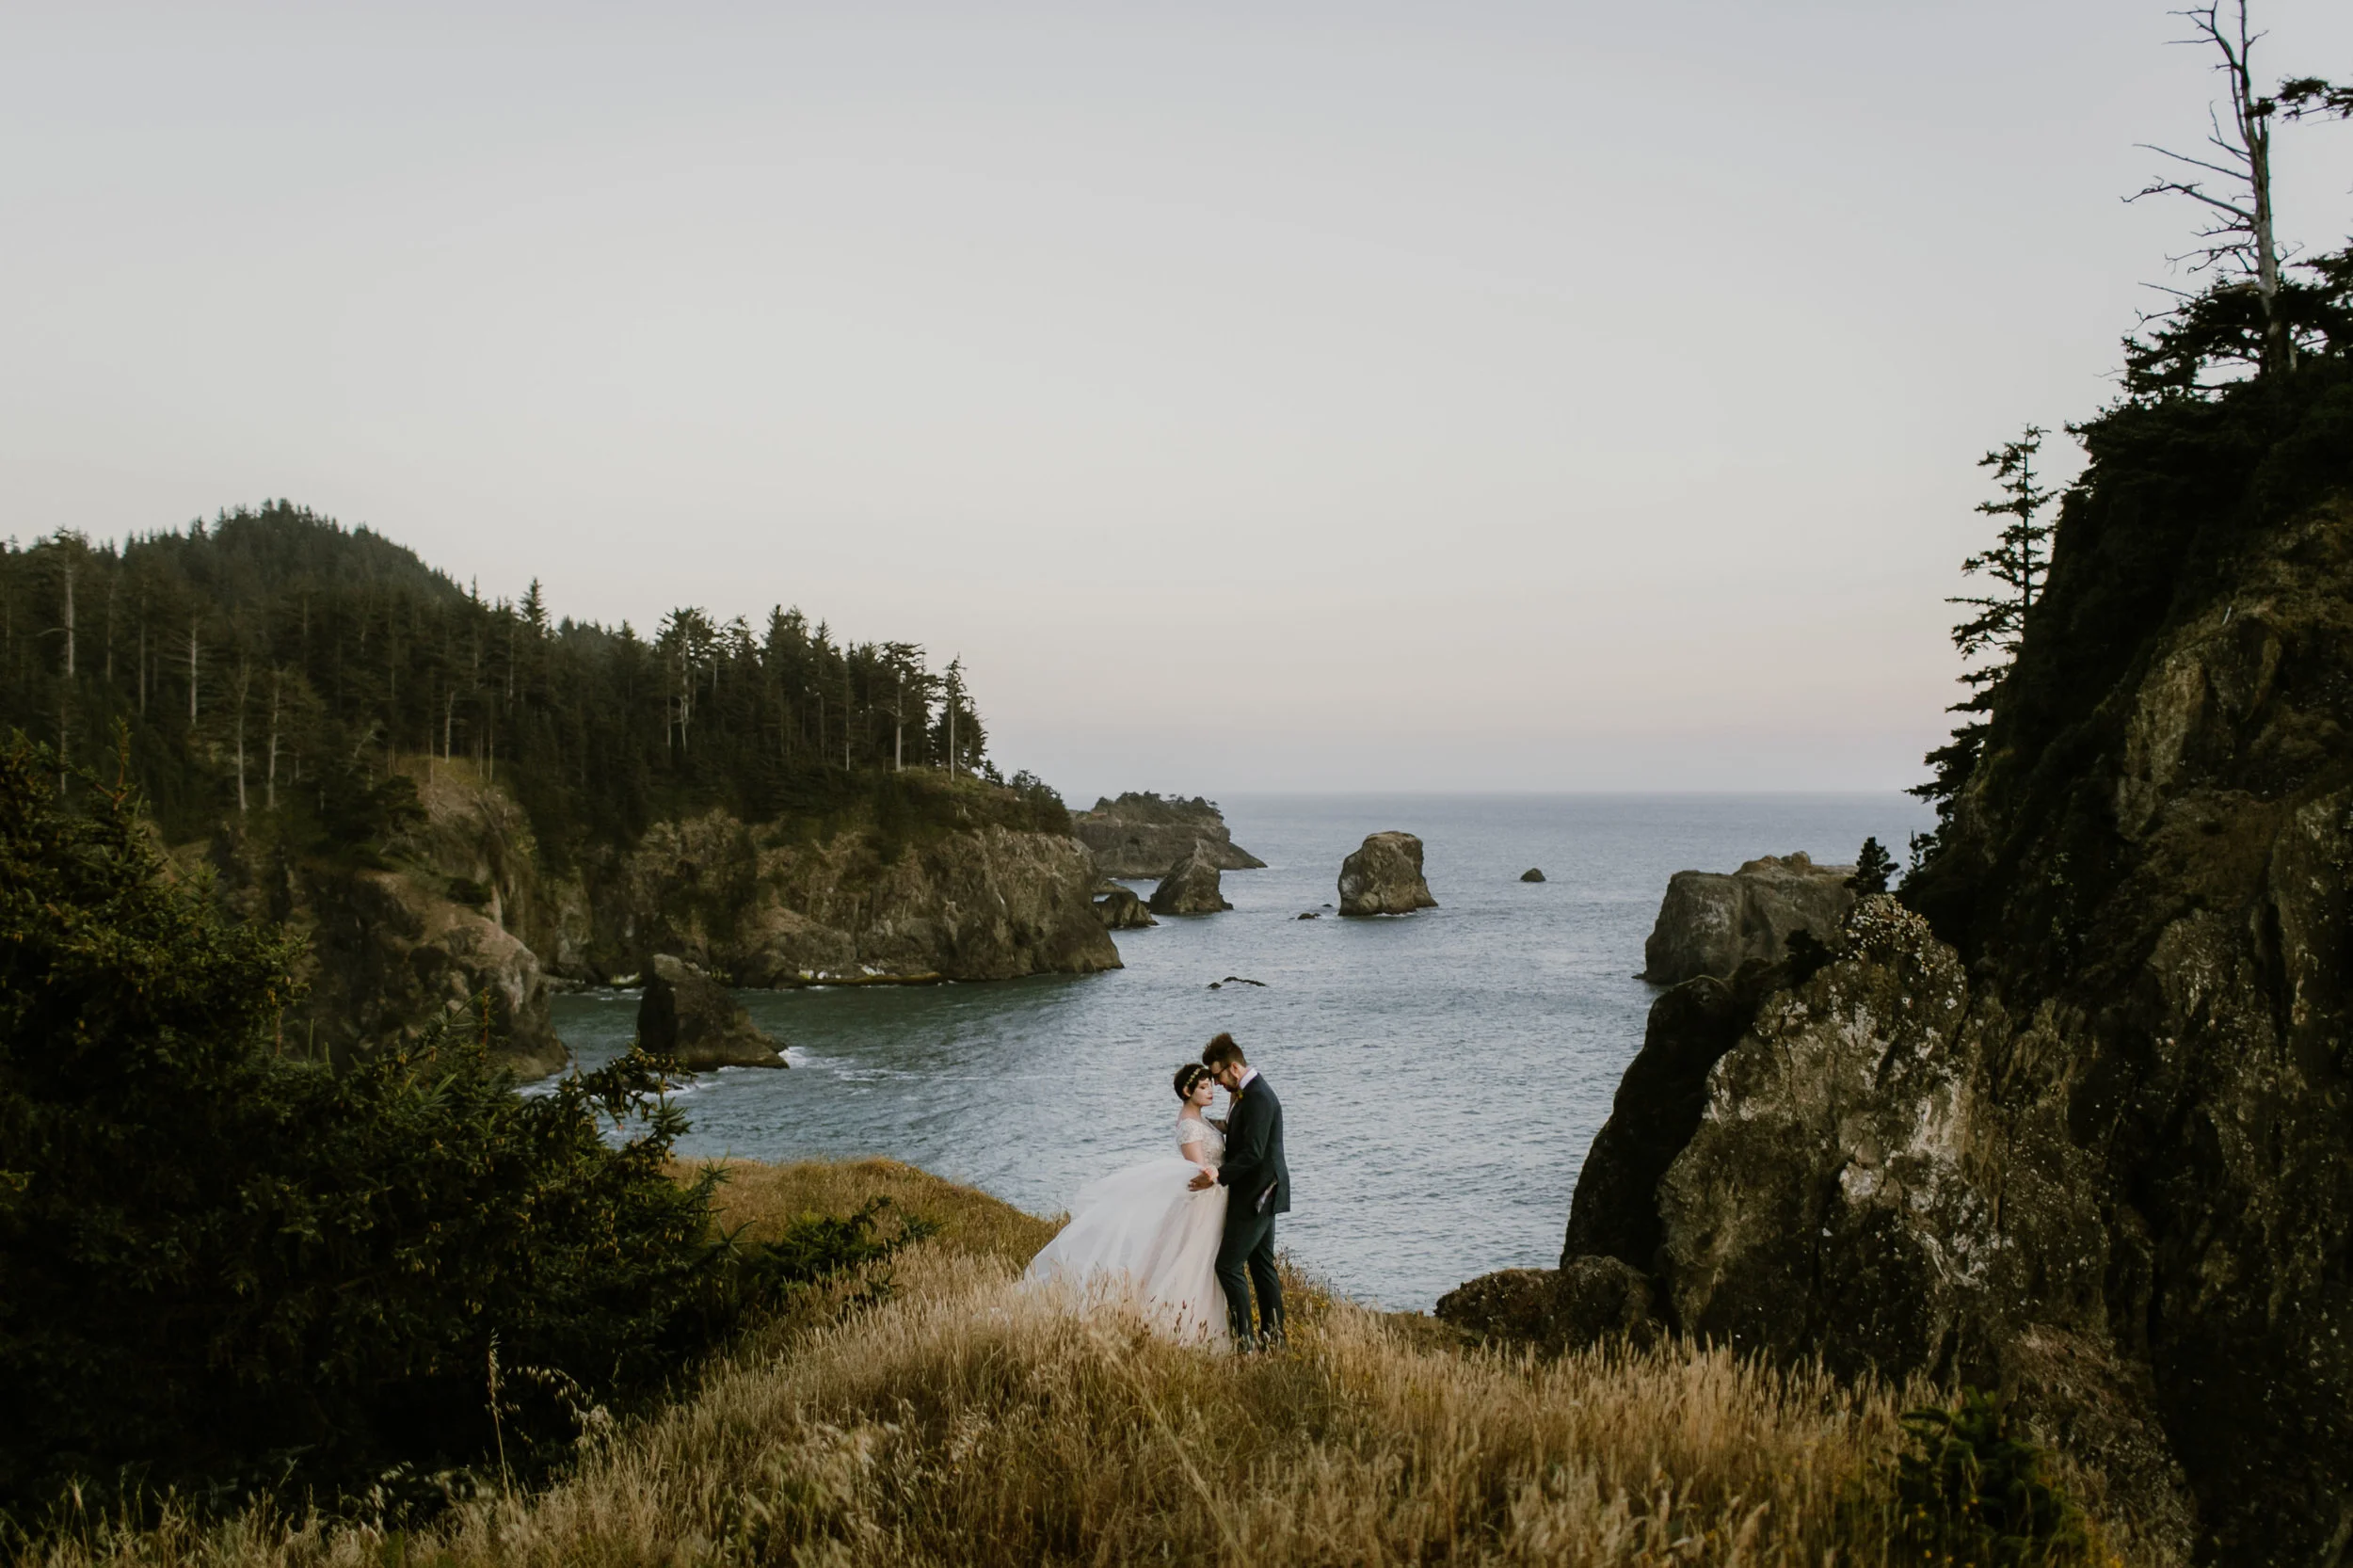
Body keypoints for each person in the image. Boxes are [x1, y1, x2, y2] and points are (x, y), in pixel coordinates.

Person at [1020, 1062, 1229, 1345]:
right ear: (1186, 1090)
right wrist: (1220, 1176)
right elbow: (1199, 1171)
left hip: (1213, 1199)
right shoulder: (1189, 1127)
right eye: (1203, 1087)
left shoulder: (1200, 1121)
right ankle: (1186, 1329)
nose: (1210, 1091)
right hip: (1204, 1201)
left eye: (1211, 1085)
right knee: (1193, 1262)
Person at [1189, 1032, 1289, 1352]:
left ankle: (1244, 1343)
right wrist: (1209, 1125)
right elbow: (1241, 1132)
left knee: (1228, 1266)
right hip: (1260, 1190)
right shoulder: (1246, 1093)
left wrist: (1217, 1174)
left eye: (1217, 1076)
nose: (1216, 1084)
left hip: (1258, 1193)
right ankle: (1275, 1340)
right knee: (1261, 1266)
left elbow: (1254, 1153)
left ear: (1233, 1068)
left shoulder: (1258, 1096)